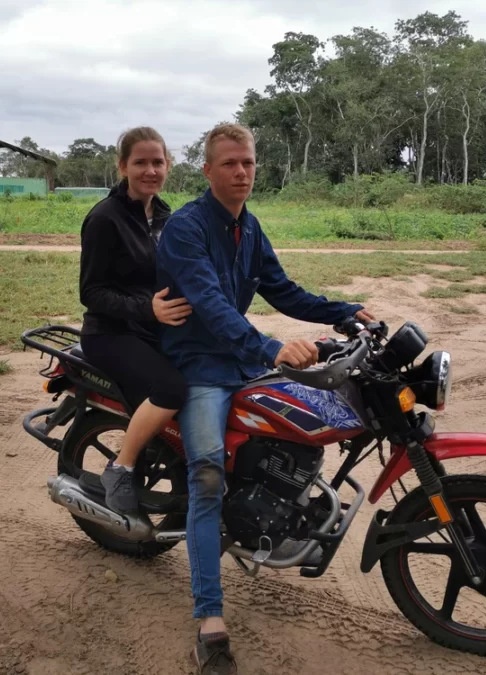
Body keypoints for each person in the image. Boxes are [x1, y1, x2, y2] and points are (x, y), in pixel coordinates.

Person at [156, 123, 374, 673]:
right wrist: (271, 345)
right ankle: (209, 619)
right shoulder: (185, 228)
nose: (241, 173)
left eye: (249, 163)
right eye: (230, 164)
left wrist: (344, 311)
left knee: (302, 430)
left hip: (242, 361)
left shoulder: (248, 228)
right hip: (201, 366)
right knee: (207, 475)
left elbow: (283, 289)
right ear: (207, 171)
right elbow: (208, 303)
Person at [78, 126, 192, 514]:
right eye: (140, 162)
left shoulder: (163, 214)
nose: (150, 170)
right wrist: (148, 309)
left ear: (168, 165)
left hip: (151, 329)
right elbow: (91, 292)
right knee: (173, 390)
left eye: (157, 162)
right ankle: (121, 467)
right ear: (123, 166)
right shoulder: (104, 218)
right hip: (110, 333)